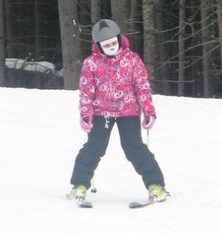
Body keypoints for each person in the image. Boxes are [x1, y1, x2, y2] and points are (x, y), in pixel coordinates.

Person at [68, 18, 167, 204]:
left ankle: (156, 186)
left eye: (114, 42)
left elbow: (142, 87)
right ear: (99, 46)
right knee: (94, 148)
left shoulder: (132, 60)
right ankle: (79, 185)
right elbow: (86, 91)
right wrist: (85, 113)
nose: (111, 47)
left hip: (128, 111)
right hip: (101, 112)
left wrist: (148, 111)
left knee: (134, 148)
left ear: (120, 39)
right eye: (106, 45)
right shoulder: (91, 64)